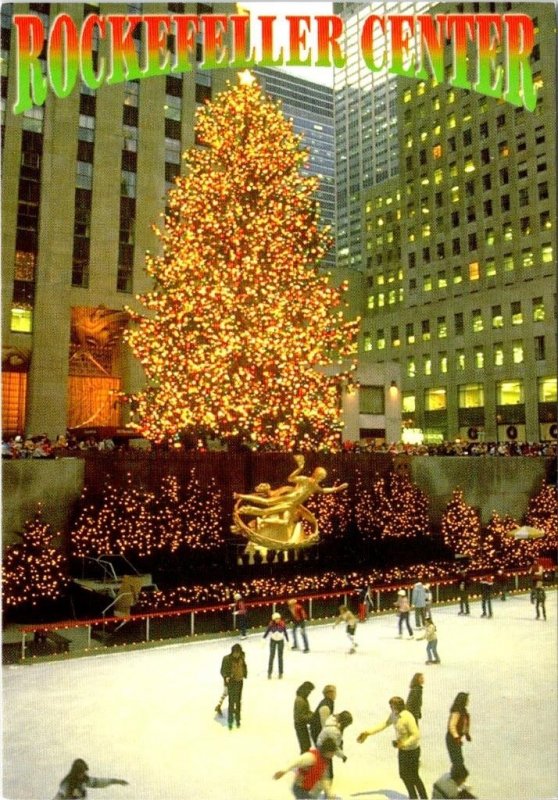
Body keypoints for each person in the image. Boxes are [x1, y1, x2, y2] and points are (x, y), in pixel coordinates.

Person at [357, 696, 427, 799]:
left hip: (412, 751)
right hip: (402, 751)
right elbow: (384, 724)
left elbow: (416, 735)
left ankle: (424, 797)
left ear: (398, 706)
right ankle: (413, 796)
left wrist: (404, 743)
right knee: (403, 775)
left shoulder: (408, 717)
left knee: (414, 776)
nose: (390, 707)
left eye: (392, 706)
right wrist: (368, 732)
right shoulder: (394, 715)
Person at [273, 736, 338, 799]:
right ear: (326, 751)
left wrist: (329, 793)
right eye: (332, 752)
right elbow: (295, 761)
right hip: (299, 788)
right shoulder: (311, 757)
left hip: (309, 790)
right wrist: (283, 770)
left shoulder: (325, 762)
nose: (333, 755)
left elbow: (324, 778)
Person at [52, 759, 128, 799]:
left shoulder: (84, 780)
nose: (84, 774)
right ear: (76, 772)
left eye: (84, 772)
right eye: (82, 773)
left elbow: (98, 782)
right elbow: (59, 797)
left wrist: (114, 781)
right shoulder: (66, 785)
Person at [317, 710, 353, 779]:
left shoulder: (332, 722)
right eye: (347, 725)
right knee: (326, 773)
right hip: (323, 750)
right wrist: (342, 756)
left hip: (322, 747)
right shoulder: (334, 731)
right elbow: (333, 747)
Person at [220, 642, 247, 730]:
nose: (237, 654)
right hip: (231, 682)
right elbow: (223, 670)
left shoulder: (242, 657)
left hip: (240, 681)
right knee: (231, 702)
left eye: (238, 653)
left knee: (238, 701)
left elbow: (244, 666)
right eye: (235, 653)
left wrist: (244, 673)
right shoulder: (227, 659)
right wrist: (227, 676)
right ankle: (230, 721)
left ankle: (238, 719)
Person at [446, 692, 471, 770]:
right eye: (467, 700)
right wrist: (456, 737)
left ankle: (457, 777)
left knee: (459, 760)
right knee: (457, 761)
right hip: (452, 739)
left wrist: (466, 733)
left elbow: (464, 724)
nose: (468, 701)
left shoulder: (463, 711)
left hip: (457, 739)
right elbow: (452, 726)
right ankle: (455, 777)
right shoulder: (456, 712)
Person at [263, 611, 289, 678]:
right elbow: (267, 632)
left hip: (280, 641)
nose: (278, 620)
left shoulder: (282, 624)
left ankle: (280, 673)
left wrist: (288, 641)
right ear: (274, 619)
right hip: (273, 641)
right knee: (271, 656)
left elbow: (285, 633)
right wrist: (263, 639)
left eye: (278, 618)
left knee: (280, 657)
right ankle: (269, 672)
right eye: (276, 619)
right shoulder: (271, 624)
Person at [294, 681, 315, 753]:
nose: (309, 693)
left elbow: (306, 711)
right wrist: (312, 718)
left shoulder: (303, 698)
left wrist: (314, 715)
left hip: (302, 725)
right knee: (305, 746)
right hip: (300, 725)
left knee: (306, 745)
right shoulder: (300, 700)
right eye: (309, 691)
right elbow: (301, 716)